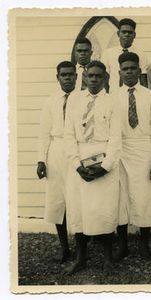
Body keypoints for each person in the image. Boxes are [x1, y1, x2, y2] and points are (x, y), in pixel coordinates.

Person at [64, 60, 121, 275]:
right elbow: (68, 135)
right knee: (78, 211)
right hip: (79, 158)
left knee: (103, 210)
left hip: (104, 159)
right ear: (85, 77)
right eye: (91, 76)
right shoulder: (75, 101)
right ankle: (81, 257)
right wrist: (77, 165)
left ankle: (108, 259)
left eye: (99, 76)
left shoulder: (112, 101)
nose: (94, 79)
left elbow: (116, 138)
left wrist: (104, 167)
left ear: (105, 77)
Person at [114, 52, 151, 261]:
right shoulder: (113, 96)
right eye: (125, 69)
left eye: (133, 68)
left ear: (139, 70)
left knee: (144, 198)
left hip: (143, 148)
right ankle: (123, 245)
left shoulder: (150, 96)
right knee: (121, 197)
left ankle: (144, 245)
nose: (129, 72)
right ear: (119, 72)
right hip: (121, 149)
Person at [36, 61, 77, 263]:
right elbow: (44, 133)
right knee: (57, 199)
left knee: (78, 197)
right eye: (63, 75)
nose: (67, 78)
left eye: (71, 74)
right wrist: (41, 160)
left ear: (77, 77)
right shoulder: (51, 101)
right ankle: (64, 247)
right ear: (58, 77)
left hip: (77, 150)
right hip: (56, 150)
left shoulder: (83, 99)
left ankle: (82, 246)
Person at [101, 18, 148, 93]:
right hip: (114, 95)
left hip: (133, 94)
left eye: (130, 32)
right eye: (124, 32)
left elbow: (143, 80)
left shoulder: (141, 54)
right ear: (118, 33)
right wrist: (106, 96)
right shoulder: (107, 53)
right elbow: (104, 79)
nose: (127, 35)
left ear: (134, 35)